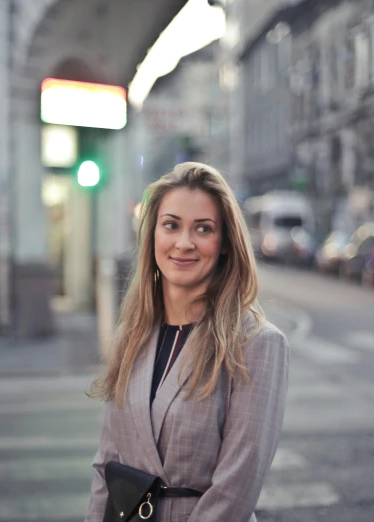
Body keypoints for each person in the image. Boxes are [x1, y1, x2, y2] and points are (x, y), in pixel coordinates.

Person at [85, 162, 290, 521]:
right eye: (171, 225)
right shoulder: (130, 336)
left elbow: (237, 486)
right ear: (152, 236)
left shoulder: (256, 344)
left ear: (225, 244)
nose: (184, 243)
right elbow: (107, 464)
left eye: (203, 229)